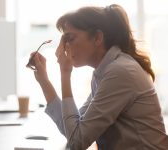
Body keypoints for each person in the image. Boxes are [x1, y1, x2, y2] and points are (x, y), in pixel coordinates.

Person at [27, 4, 168, 150]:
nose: (64, 47)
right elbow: (72, 129)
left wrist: (65, 73)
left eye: (70, 38)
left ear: (97, 38)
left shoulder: (120, 72)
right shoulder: (104, 72)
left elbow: (77, 142)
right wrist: (44, 81)